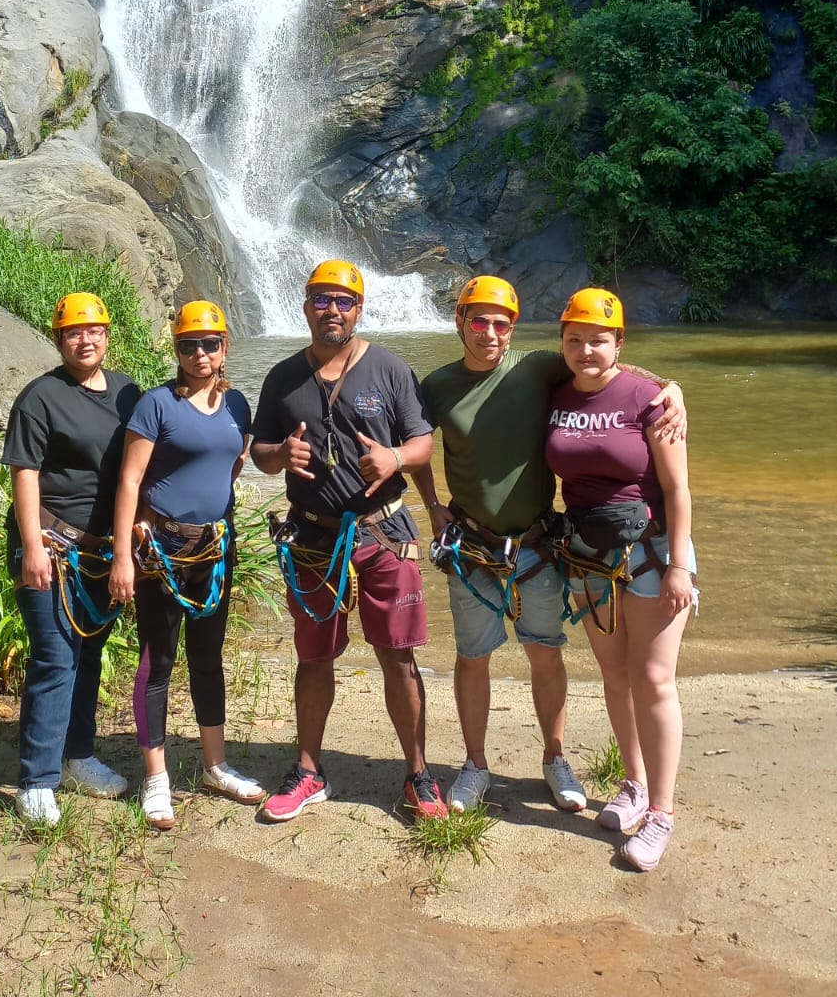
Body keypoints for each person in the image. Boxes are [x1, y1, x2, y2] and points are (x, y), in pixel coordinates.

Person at [420, 275, 684, 816]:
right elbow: (415, 446)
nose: (489, 331)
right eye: (478, 319)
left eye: (500, 322)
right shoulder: (438, 386)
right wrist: (429, 504)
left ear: (513, 328)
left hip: (540, 543)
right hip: (472, 545)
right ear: (459, 321)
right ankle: (474, 764)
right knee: (472, 657)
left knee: (545, 653)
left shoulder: (538, 366)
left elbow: (607, 369)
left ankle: (555, 757)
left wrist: (671, 386)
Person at [251, 260, 447, 823]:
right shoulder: (281, 377)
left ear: (359, 309)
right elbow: (261, 451)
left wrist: (394, 458)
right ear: (305, 304)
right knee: (314, 656)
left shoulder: (389, 370)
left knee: (398, 657)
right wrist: (277, 456)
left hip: (381, 530)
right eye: (321, 300)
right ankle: (308, 771)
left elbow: (422, 444)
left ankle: (418, 774)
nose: (331, 310)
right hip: (312, 536)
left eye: (343, 301)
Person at [546, 288, 696, 872]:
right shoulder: (554, 395)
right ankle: (633, 785)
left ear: (620, 343)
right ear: (561, 342)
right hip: (586, 555)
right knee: (614, 674)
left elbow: (679, 489)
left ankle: (661, 811)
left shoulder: (650, 398)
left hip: (654, 554)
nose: (586, 350)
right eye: (575, 339)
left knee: (654, 679)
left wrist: (680, 563)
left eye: (599, 340)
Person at [108, 301, 264, 830]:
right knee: (157, 661)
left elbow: (233, 464)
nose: (200, 353)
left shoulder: (238, 405)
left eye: (209, 343)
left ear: (225, 348)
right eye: (188, 345)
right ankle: (156, 779)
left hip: (216, 549)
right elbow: (129, 481)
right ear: (176, 350)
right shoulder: (156, 405)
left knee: (208, 657)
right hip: (161, 553)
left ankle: (215, 766)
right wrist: (125, 556)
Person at [5, 292, 138, 826]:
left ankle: (78, 755)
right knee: (55, 658)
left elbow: (147, 455)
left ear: (107, 335)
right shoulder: (39, 397)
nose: (85, 340)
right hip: (51, 546)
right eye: (73, 333)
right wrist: (33, 545)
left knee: (87, 655)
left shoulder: (129, 392)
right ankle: (36, 781)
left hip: (102, 551)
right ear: (59, 340)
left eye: (94, 331)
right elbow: (24, 471)